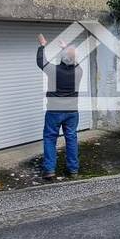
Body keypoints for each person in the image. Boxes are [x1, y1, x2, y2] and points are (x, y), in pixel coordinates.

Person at [36, 33, 81, 179]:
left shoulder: (54, 71)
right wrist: (67, 48)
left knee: (50, 138)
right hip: (72, 112)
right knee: (71, 138)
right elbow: (74, 59)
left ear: (62, 58)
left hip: (54, 112)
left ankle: (49, 170)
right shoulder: (79, 71)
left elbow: (41, 61)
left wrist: (42, 46)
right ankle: (73, 170)